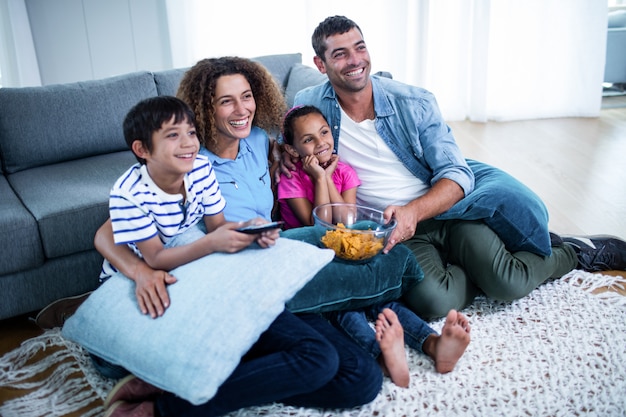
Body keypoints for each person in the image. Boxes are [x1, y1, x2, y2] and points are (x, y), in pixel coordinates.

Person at [283, 15, 626, 320]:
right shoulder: (309, 104)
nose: (355, 60)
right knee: (433, 304)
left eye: (360, 47)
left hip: (447, 212)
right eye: (340, 54)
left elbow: (457, 174)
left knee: (508, 282)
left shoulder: (413, 102)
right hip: (392, 229)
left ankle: (574, 251)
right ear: (320, 63)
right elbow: (289, 136)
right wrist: (282, 152)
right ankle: (479, 267)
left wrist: (413, 212)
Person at [94, 58, 383, 417]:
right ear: (205, 107)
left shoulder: (259, 142)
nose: (242, 108)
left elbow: (287, 157)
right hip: (223, 285)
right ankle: (164, 404)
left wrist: (289, 157)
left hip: (264, 268)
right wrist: (142, 272)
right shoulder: (184, 158)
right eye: (226, 101)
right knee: (319, 360)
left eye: (247, 96)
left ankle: (188, 378)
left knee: (362, 379)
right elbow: (108, 232)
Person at [278, 104, 470, 387]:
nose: (321, 143)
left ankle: (434, 344)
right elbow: (320, 226)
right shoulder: (291, 178)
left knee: (381, 298)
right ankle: (381, 356)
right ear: (293, 150)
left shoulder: (343, 170)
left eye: (324, 133)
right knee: (344, 306)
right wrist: (320, 177)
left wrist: (329, 175)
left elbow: (344, 220)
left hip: (343, 250)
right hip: (311, 259)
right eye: (308, 139)